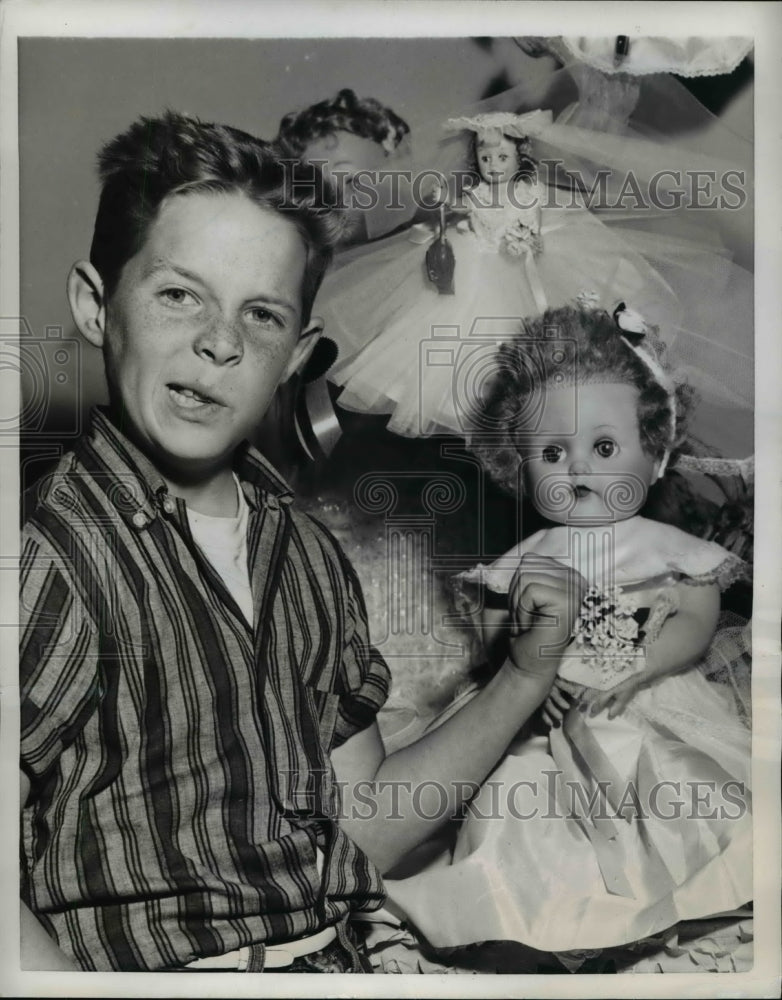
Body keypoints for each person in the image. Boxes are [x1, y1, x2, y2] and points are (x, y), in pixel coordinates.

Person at [19, 111, 587, 973]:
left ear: (298, 356)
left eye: (261, 315)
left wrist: (523, 674)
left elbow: (358, 829)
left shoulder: (309, 559)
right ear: (96, 307)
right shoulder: (50, 555)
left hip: (333, 957)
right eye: (179, 294)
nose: (219, 341)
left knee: (543, 962)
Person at [381, 303, 752, 961]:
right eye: (553, 453)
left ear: (653, 455)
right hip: (544, 718)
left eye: (603, 448)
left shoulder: (662, 544)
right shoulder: (534, 554)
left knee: (674, 785)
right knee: (518, 801)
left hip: (647, 700)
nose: (579, 469)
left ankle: (677, 895)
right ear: (519, 468)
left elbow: (695, 619)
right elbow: (500, 626)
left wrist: (641, 664)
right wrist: (523, 671)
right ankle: (534, 920)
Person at [317, 109, 720, 440]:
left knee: (510, 353)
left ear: (520, 156)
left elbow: (557, 225)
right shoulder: (474, 193)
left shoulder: (532, 193)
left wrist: (530, 241)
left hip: (514, 275)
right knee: (438, 346)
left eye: (501, 158)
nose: (492, 165)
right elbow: (445, 209)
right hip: (469, 268)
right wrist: (445, 216)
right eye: (485, 158)